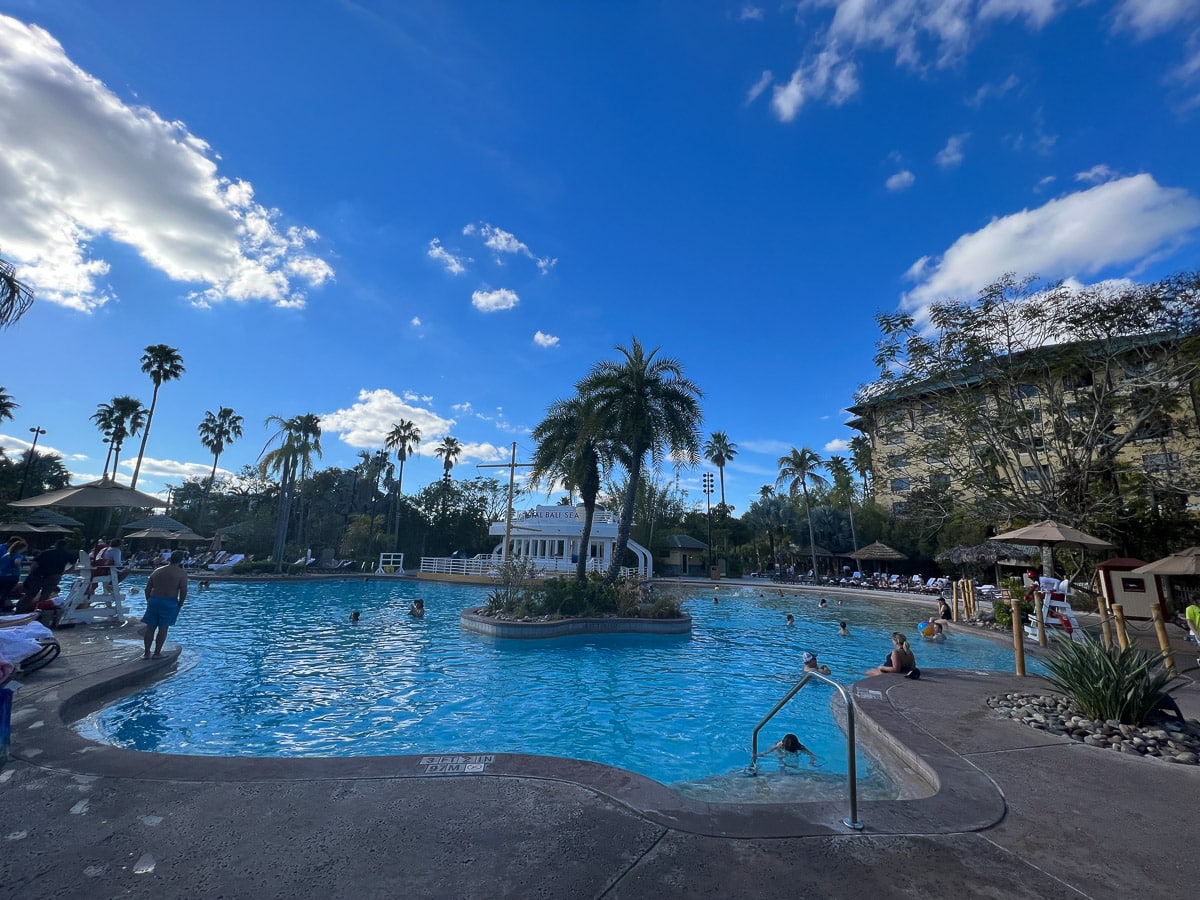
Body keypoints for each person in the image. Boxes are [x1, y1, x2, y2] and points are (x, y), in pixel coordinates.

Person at [142, 550, 188, 659]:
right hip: (169, 602)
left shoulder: (157, 571)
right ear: (181, 560)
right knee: (163, 628)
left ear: (170, 558)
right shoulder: (181, 573)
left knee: (150, 628)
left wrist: (149, 600)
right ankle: (157, 653)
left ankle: (146, 653)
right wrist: (180, 604)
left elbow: (147, 588)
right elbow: (183, 590)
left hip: (154, 600)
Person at [17, 539, 75, 613]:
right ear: (66, 546)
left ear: (56, 545)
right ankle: (39, 611)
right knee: (45, 595)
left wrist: (31, 573)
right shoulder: (67, 554)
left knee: (31, 594)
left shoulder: (46, 552)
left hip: (39, 574)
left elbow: (35, 563)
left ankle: (20, 610)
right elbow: (74, 565)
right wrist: (65, 572)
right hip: (54, 576)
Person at [0, 537, 29, 610]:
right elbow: (17, 562)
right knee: (5, 593)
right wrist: (19, 568)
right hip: (12, 576)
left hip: (2, 575)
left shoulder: (6, 555)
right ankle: (2, 607)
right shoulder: (18, 555)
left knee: (1, 592)